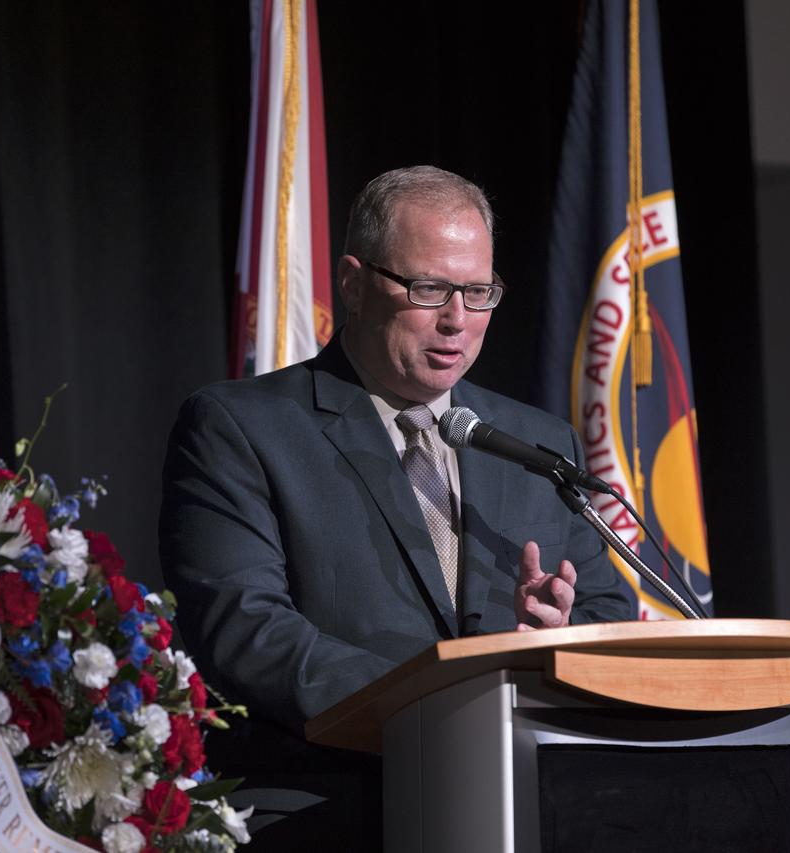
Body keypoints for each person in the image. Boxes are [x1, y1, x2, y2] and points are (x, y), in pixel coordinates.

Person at [159, 166, 632, 849]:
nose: (457, 321)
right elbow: (245, 631)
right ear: (352, 282)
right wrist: (447, 710)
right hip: (326, 811)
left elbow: (606, 616)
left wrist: (552, 642)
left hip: (521, 809)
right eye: (428, 288)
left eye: (477, 292)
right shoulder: (240, 426)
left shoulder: (536, 442)